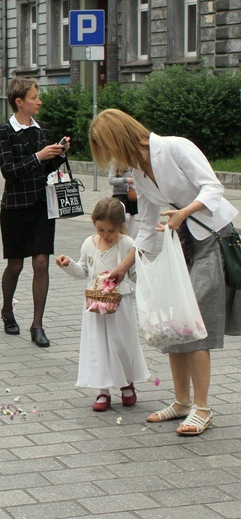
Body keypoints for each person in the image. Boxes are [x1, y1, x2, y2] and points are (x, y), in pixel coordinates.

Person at [90, 108, 240, 436]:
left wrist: (183, 213)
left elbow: (213, 188)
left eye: (108, 148)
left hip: (211, 240)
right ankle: (182, 402)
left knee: (196, 320)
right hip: (180, 244)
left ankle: (202, 408)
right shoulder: (140, 173)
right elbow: (146, 225)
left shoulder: (174, 147)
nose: (111, 158)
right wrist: (121, 268)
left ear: (119, 138)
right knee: (174, 321)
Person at [56, 198, 150, 411]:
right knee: (98, 344)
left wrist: (149, 283)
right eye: (101, 229)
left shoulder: (127, 244)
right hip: (95, 305)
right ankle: (103, 390)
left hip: (121, 303)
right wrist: (67, 264)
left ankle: (127, 383)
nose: (106, 235)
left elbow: (135, 274)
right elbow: (83, 271)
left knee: (122, 343)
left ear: (120, 227)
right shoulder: (90, 243)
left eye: (111, 230)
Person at [0, 78, 68, 347]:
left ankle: (37, 324)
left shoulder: (41, 130)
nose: (39, 101)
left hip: (41, 205)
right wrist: (39, 156)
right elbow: (9, 172)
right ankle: (7, 310)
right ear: (19, 102)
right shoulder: (4, 131)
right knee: (15, 265)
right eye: (34, 97)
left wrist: (58, 155)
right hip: (14, 207)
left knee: (41, 262)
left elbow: (45, 170)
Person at [108, 164, 138, 236]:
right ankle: (119, 237)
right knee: (125, 217)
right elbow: (111, 180)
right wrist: (126, 180)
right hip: (120, 195)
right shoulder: (115, 163)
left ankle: (129, 242)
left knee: (131, 221)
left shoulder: (133, 162)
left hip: (132, 194)